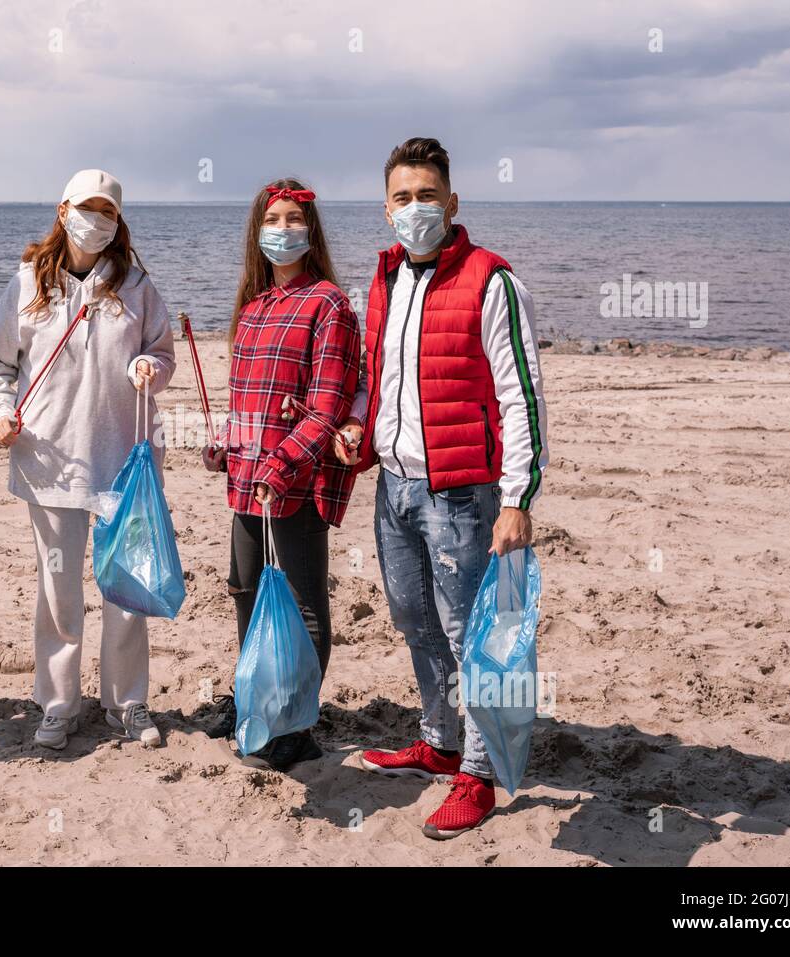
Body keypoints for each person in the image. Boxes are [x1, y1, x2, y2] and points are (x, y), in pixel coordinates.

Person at [336, 137, 549, 837]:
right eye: (403, 198)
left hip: (462, 493)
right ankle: (439, 737)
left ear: (452, 203)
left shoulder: (492, 281)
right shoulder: (387, 279)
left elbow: (522, 395)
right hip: (394, 487)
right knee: (412, 618)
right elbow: (377, 378)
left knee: (471, 634)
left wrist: (516, 499)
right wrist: (358, 428)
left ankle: (480, 775)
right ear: (386, 208)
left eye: (428, 196)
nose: (415, 208)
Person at [0, 169, 175, 751]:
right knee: (58, 591)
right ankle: (58, 703)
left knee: (124, 590)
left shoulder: (137, 286)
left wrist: (151, 369)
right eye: (89, 208)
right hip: (49, 459)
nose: (98, 220)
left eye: (109, 211)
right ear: (63, 210)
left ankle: (126, 702)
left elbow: (161, 351)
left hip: (122, 463)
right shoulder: (26, 285)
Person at [201, 179, 360, 772]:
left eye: (295, 218)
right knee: (246, 591)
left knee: (301, 601)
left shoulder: (330, 306)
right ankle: (254, 699)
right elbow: (246, 399)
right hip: (247, 478)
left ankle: (296, 722)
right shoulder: (252, 306)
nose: (284, 228)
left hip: (296, 480)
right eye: (275, 218)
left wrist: (281, 462)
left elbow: (327, 405)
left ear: (311, 231)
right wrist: (224, 443)